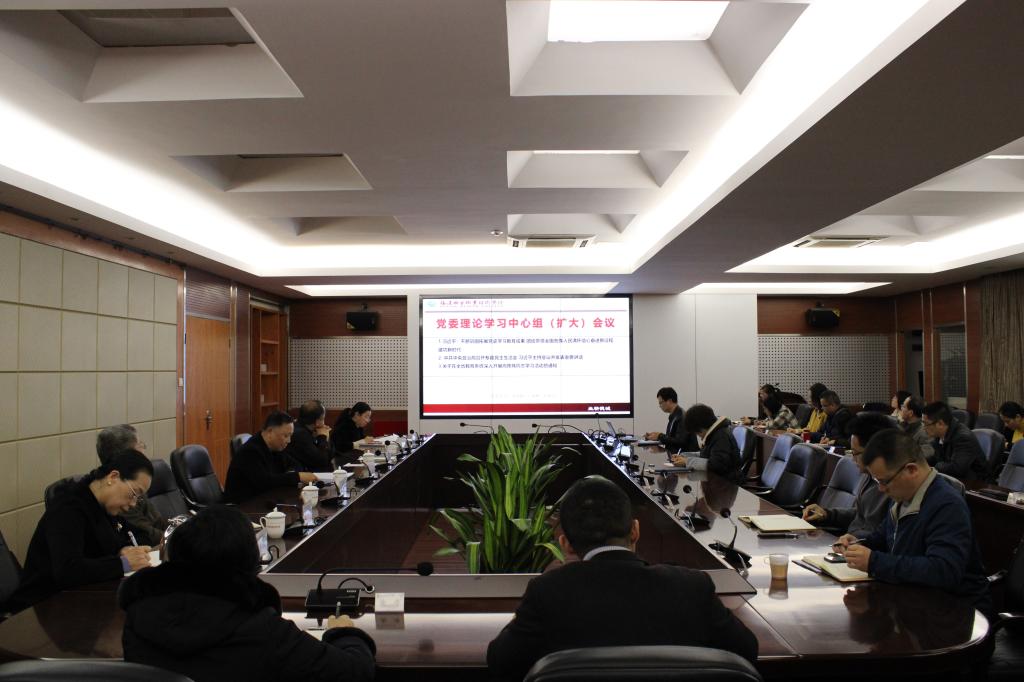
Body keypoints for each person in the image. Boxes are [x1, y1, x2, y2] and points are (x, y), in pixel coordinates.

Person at [486, 476, 757, 682]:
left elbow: (500, 662)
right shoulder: (692, 586)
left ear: (565, 544)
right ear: (635, 530)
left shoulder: (547, 592)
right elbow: (747, 650)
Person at [120, 505, 376, 682]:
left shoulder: (138, 617)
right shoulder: (261, 629)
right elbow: (355, 672)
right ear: (248, 563)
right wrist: (344, 633)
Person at [834, 429, 991, 616]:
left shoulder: (947, 505)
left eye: (884, 481)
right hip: (912, 601)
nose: (881, 489)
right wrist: (859, 544)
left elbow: (943, 571)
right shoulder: (903, 495)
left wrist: (874, 562)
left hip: (954, 612)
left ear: (911, 470)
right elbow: (883, 538)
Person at [7, 450, 154, 612]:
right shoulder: (68, 508)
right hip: (42, 605)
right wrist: (123, 563)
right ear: (113, 477)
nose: (133, 504)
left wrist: (124, 549)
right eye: (134, 493)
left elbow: (140, 535)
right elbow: (68, 570)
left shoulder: (106, 507)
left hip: (83, 598)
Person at [802, 413, 893, 538]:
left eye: (854, 453)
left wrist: (857, 541)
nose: (853, 459)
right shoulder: (870, 477)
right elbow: (861, 514)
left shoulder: (894, 487)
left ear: (873, 451)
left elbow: (881, 536)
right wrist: (827, 514)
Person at [224, 411, 318, 503]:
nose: (288, 441)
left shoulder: (275, 447)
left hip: (264, 498)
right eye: (285, 436)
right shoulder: (250, 451)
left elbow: (295, 464)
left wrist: (292, 474)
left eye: (290, 436)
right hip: (243, 504)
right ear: (270, 431)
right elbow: (265, 482)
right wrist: (297, 476)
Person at [96, 424, 167, 545]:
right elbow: (148, 535)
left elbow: (158, 522)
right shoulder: (119, 496)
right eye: (140, 445)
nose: (144, 450)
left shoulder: (134, 483)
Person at [670, 404, 743, 482]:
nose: (700, 437)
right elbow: (706, 454)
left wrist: (687, 461)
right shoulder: (716, 433)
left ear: (701, 428)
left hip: (726, 484)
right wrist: (684, 456)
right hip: (716, 481)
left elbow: (716, 465)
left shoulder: (721, 436)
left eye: (697, 433)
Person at [921, 401, 986, 481]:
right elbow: (936, 458)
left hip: (975, 483)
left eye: (926, 424)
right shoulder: (939, 435)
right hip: (954, 479)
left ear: (940, 423)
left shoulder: (963, 438)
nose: (923, 428)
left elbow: (957, 469)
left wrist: (934, 467)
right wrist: (921, 463)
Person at [284, 400, 337, 472]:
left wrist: (326, 437)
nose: (324, 423)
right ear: (317, 421)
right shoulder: (300, 434)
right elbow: (322, 461)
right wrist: (322, 438)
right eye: (323, 418)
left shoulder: (308, 430)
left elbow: (331, 455)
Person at [642, 387, 698, 454]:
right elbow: (672, 438)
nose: (660, 406)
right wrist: (656, 436)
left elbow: (680, 441)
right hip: (676, 455)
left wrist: (660, 436)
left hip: (685, 457)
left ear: (669, 401)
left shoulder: (682, 417)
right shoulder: (674, 415)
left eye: (661, 402)